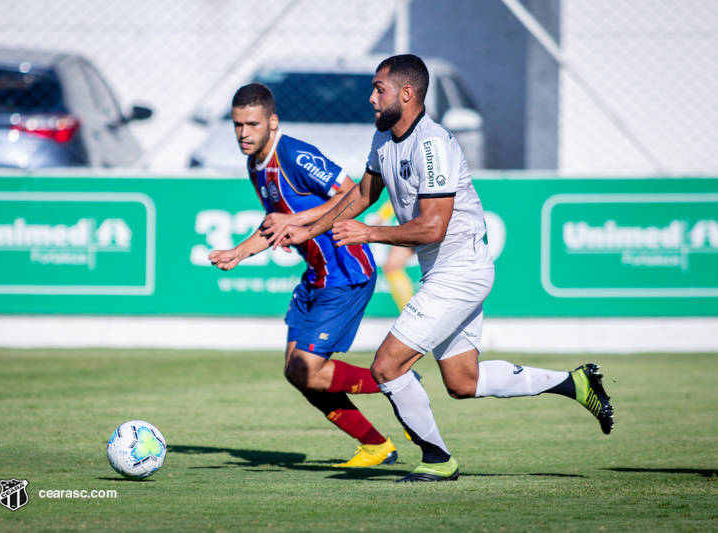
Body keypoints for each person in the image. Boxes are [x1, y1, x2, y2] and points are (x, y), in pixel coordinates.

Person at [272, 55, 614, 483]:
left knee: (386, 367)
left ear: (407, 94)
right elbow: (359, 196)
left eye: (379, 88)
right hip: (443, 273)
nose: (371, 97)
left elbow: (433, 227)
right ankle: (575, 383)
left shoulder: (432, 144)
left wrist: (369, 235)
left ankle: (437, 459)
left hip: (461, 272)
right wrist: (308, 229)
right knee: (462, 381)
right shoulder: (384, 140)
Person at [208, 83, 397, 467]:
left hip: (345, 271)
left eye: (252, 124)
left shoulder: (294, 154)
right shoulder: (255, 165)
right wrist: (238, 253)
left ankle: (397, 383)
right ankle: (377, 445)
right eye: (237, 125)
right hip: (316, 276)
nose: (244, 133)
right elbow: (275, 224)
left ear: (272, 122)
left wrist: (296, 219)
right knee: (297, 372)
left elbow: (350, 192)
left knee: (307, 369)